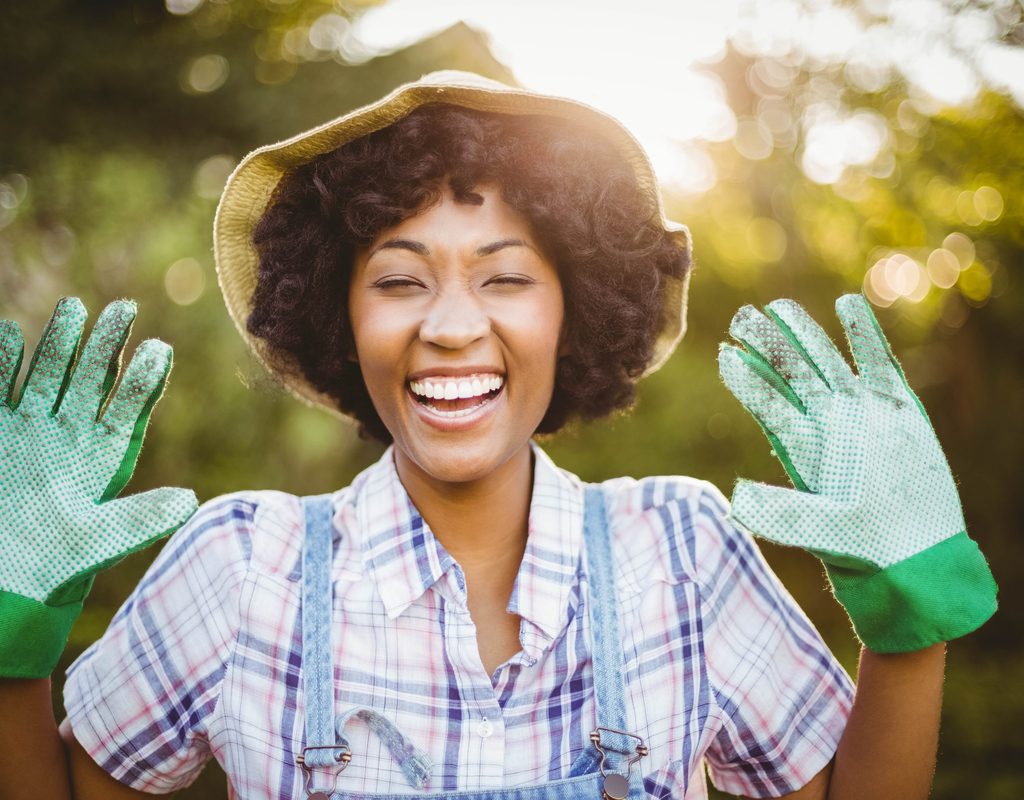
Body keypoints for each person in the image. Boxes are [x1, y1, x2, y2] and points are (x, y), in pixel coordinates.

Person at [0, 71, 997, 800]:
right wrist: (8, 636)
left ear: (575, 309)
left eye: (505, 275)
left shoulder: (681, 552)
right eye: (398, 279)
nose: (450, 324)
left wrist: (905, 632)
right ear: (341, 317)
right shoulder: (241, 565)